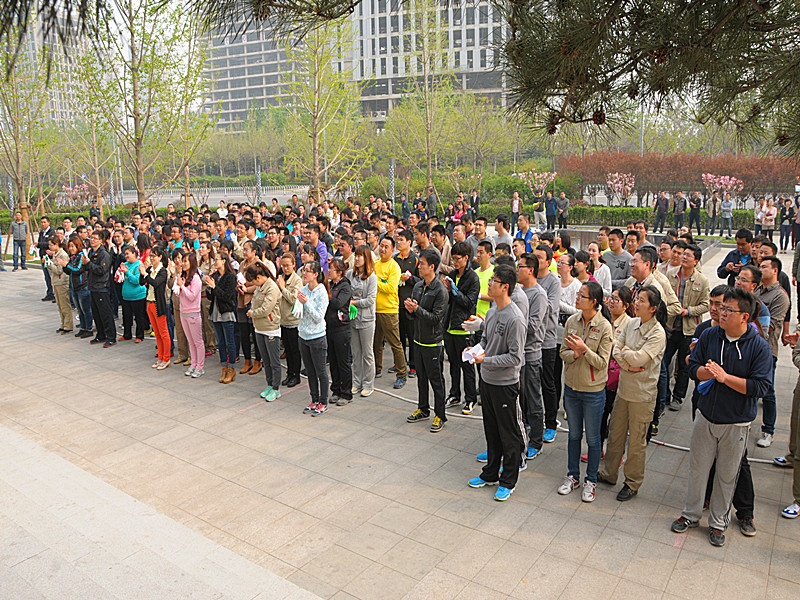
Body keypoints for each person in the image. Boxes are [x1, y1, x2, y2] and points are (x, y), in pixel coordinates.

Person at [672, 288, 773, 547]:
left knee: (727, 476)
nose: (721, 313)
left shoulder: (758, 347)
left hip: (736, 422)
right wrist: (706, 373)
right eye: (721, 307)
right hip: (706, 415)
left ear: (745, 316)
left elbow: (761, 387)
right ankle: (690, 514)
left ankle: (718, 523)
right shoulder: (710, 335)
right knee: (698, 469)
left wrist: (725, 378)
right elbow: (692, 366)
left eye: (729, 309)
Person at [598, 285, 666, 501]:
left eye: (642, 301)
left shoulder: (657, 333)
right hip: (623, 390)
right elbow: (616, 350)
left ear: (653, 308)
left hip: (642, 396)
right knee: (615, 435)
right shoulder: (631, 323)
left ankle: (632, 483)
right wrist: (629, 363)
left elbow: (639, 359)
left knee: (636, 442)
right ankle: (609, 473)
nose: (637, 303)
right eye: (637, 299)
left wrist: (627, 356)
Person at [466, 265, 527, 502]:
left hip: (505, 384)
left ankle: (508, 480)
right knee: (491, 431)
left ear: (505, 287)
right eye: (490, 279)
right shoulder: (492, 312)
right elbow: (485, 341)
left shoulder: (515, 318)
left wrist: (486, 360)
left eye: (494, 280)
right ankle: (490, 473)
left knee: (508, 434)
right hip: (487, 380)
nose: (489, 283)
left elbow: (515, 358)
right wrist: (475, 350)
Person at [557, 281, 614, 503]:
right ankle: (573, 476)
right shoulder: (572, 321)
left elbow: (602, 362)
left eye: (582, 296)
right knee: (573, 435)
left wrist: (584, 350)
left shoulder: (604, 327)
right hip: (572, 388)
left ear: (594, 301)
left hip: (593, 391)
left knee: (593, 438)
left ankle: (591, 480)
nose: (577, 298)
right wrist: (574, 355)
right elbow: (563, 352)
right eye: (578, 294)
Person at [405, 249, 449, 432]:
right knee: (421, 378)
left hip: (433, 343)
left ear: (432, 267)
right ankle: (423, 409)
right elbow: (414, 316)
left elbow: (436, 318)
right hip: (418, 340)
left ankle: (440, 415)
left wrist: (417, 310)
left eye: (422, 264)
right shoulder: (418, 286)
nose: (419, 267)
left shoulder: (440, 290)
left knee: (436, 381)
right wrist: (410, 311)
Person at [664, 244, 710, 411]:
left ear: (696, 261)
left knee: (684, 365)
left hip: (688, 329)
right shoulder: (670, 275)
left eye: (688, 255)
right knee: (664, 362)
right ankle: (665, 395)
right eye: (683, 254)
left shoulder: (702, 280)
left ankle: (678, 397)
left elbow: (706, 304)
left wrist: (689, 311)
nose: (684, 257)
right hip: (670, 326)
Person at [754, 255, 790, 448]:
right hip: (750, 347)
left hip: (767, 350)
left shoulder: (780, 296)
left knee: (768, 391)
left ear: (775, 270)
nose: (760, 269)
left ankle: (768, 430)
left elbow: (773, 325)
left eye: (764, 267)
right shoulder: (757, 289)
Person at [517, 253, 548, 461]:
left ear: (530, 270)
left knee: (533, 398)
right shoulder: (518, 291)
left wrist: (513, 324)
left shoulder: (539, 295)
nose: (517, 269)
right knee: (519, 399)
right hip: (517, 354)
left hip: (531, 354)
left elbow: (533, 326)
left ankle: (537, 441)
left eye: (520, 266)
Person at [442, 242, 480, 414]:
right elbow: (449, 300)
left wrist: (454, 291)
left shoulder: (472, 278)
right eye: (453, 259)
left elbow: (469, 303)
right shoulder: (452, 274)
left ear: (466, 258)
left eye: (458, 259)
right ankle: (454, 394)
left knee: (467, 365)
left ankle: (470, 398)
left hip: (465, 327)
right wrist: (448, 291)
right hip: (450, 326)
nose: (455, 262)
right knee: (453, 365)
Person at [534, 243, 561, 443]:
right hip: (530, 340)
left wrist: (533, 302)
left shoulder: (553, 281)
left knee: (548, 384)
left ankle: (551, 423)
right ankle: (532, 419)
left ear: (549, 261)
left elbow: (550, 308)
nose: (535, 261)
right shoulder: (530, 278)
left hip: (547, 340)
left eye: (539, 258)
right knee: (530, 383)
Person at [298, 261, 331, 416]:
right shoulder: (303, 289)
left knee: (321, 371)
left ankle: (323, 402)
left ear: (316, 274)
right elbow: (298, 311)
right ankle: (314, 399)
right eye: (304, 270)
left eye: (308, 271)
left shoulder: (321, 292)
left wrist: (306, 303)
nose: (304, 273)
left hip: (317, 337)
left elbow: (318, 317)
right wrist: (297, 304)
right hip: (303, 335)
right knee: (310, 371)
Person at [373, 236, 407, 388]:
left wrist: (375, 281)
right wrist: (380, 281)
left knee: (395, 344)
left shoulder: (394, 267)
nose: (383, 249)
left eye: (386, 247)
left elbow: (391, 288)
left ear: (392, 250)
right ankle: (376, 368)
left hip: (389, 310)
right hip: (375, 310)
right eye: (381, 245)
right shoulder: (375, 265)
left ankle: (402, 374)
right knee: (376, 343)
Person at [247, 262, 282, 399]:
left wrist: (252, 313)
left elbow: (266, 309)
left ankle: (276, 388)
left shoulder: (272, 287)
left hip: (270, 327)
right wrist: (252, 309)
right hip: (259, 327)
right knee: (266, 360)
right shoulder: (260, 286)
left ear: (259, 277)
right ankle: (269, 384)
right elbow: (255, 301)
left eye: (254, 280)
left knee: (274, 361)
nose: (254, 284)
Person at [348, 246, 378, 397]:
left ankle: (368, 384)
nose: (357, 258)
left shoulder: (372, 277)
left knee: (367, 353)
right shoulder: (350, 274)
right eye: (356, 255)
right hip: (352, 319)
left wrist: (354, 303)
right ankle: (356, 382)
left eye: (361, 256)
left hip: (367, 319)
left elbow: (370, 300)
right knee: (356, 353)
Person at [205, 254, 238, 383]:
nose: (215, 262)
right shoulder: (214, 276)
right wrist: (209, 288)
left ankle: (231, 368)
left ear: (224, 261)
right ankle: (224, 367)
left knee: (230, 342)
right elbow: (211, 297)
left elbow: (227, 296)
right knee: (221, 342)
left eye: (217, 260)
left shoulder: (230, 277)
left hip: (226, 312)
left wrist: (214, 287)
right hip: (215, 312)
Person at [326, 258, 353, 406]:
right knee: (333, 361)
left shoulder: (345, 286)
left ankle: (346, 392)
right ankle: (336, 390)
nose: (329, 271)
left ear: (339, 272)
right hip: (329, 327)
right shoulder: (330, 285)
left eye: (332, 269)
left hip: (341, 328)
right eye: (329, 268)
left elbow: (338, 303)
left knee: (343, 362)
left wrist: (327, 294)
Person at [173, 252, 205, 378]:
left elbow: (192, 296)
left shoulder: (196, 278)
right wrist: (178, 282)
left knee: (198, 341)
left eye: (186, 261)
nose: (183, 263)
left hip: (193, 313)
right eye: (183, 261)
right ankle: (193, 363)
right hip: (183, 312)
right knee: (190, 341)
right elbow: (178, 293)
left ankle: (200, 367)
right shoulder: (183, 277)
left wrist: (182, 286)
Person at [82, 231, 116, 347]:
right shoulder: (91, 252)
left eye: (95, 238)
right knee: (96, 313)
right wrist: (85, 263)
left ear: (101, 241)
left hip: (102, 287)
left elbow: (102, 270)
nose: (92, 240)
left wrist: (89, 263)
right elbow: (89, 268)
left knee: (105, 314)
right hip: (93, 286)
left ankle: (111, 337)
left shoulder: (104, 254)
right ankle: (101, 335)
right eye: (91, 238)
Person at [139, 247, 171, 370]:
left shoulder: (163, 271)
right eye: (151, 256)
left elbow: (156, 283)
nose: (152, 258)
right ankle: (160, 357)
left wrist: (146, 274)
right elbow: (141, 282)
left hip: (158, 304)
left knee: (163, 332)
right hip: (149, 302)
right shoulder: (150, 269)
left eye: (154, 256)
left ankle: (166, 358)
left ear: (160, 257)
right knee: (157, 332)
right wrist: (142, 272)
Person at [394, 230, 419, 378]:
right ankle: (400, 362)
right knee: (399, 336)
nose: (398, 242)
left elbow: (420, 281)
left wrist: (409, 279)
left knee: (411, 335)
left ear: (409, 242)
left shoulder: (415, 259)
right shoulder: (394, 259)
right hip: (395, 302)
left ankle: (413, 365)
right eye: (397, 239)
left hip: (410, 303)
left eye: (401, 240)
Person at [276, 253, 302, 388]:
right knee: (287, 349)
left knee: (294, 350)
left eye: (288, 265)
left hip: (293, 320)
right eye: (283, 265)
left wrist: (282, 288)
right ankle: (289, 373)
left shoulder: (297, 280)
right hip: (282, 320)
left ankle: (296, 375)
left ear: (293, 265)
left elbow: (293, 299)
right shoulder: (281, 278)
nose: (285, 268)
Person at [64, 237, 93, 338]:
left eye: (73, 246)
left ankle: (89, 328)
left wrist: (67, 265)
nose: (71, 248)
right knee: (79, 310)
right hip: (74, 287)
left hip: (82, 287)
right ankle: (83, 328)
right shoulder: (73, 257)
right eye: (69, 246)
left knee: (86, 310)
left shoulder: (81, 256)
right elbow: (69, 271)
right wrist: (64, 266)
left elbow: (77, 269)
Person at [119, 246, 147, 342]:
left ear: (134, 253)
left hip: (138, 296)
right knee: (126, 317)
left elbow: (137, 281)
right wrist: (120, 273)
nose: (126, 256)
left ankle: (139, 335)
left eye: (128, 254)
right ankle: (127, 334)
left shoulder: (139, 264)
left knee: (139, 317)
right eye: (125, 254)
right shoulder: (125, 264)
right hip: (126, 296)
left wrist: (127, 272)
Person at [47, 238, 72, 334]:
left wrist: (49, 265)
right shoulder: (55, 254)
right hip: (56, 282)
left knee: (65, 305)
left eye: (51, 245)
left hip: (62, 282)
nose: (50, 247)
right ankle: (63, 324)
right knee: (59, 305)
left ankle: (68, 325)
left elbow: (59, 270)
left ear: (56, 244)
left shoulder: (63, 255)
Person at [37, 216, 57, 302]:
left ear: (48, 222)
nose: (43, 224)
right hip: (43, 256)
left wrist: (39, 244)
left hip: (49, 257)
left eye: (44, 222)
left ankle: (55, 294)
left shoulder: (52, 232)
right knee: (46, 277)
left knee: (51, 276)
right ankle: (49, 293)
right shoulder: (42, 232)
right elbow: (40, 242)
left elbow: (49, 244)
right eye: (41, 222)